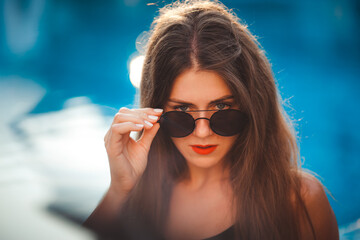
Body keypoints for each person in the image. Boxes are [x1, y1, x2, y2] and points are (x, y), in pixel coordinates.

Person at [83, 0, 339, 239]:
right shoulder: (137, 196)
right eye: (183, 111)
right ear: (156, 112)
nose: (203, 132)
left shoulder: (298, 199)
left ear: (253, 106)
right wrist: (119, 191)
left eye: (221, 107)